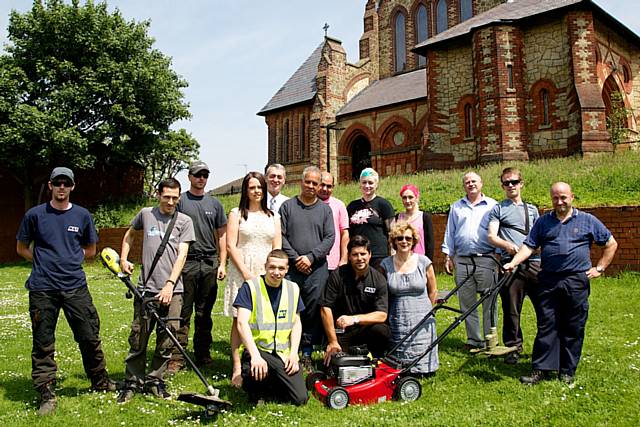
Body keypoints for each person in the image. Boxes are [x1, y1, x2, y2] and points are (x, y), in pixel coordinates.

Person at [16, 167, 116, 416]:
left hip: (75, 287)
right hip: (42, 289)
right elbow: (21, 248)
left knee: (89, 335)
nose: (62, 187)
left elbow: (91, 250)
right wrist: (42, 263)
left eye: (66, 183)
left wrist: (69, 261)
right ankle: (46, 391)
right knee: (43, 342)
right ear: (50, 186)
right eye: (57, 183)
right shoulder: (35, 215)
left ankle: (100, 381)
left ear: (72, 187)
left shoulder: (82, 215)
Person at [504, 182, 618, 385]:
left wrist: (600, 268)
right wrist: (513, 263)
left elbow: (610, 243)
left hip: (576, 280)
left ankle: (567, 370)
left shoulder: (587, 220)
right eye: (556, 198)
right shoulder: (543, 222)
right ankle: (541, 368)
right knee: (547, 324)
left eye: (563, 197)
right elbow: (529, 246)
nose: (560, 201)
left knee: (573, 325)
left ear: (572, 197)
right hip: (548, 279)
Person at [117, 178, 195, 403]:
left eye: (175, 197)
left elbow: (182, 255)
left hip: (173, 290)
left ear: (179, 197)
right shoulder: (145, 214)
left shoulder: (184, 221)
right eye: (167, 196)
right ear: (158, 195)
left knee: (167, 339)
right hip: (145, 289)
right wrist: (124, 258)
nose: (171, 201)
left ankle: (155, 380)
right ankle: (132, 381)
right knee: (139, 337)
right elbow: (130, 234)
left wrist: (169, 285)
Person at [169, 161, 227, 373]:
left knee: (205, 313)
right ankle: (177, 356)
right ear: (189, 177)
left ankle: (202, 353)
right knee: (182, 312)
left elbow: (222, 235)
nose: (201, 178)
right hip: (187, 263)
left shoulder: (215, 204)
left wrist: (222, 262)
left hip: (209, 263)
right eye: (197, 175)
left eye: (204, 175)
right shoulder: (181, 201)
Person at [226, 171, 281, 388]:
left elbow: (277, 246)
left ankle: (260, 360)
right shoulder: (236, 213)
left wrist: (272, 271)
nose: (256, 191)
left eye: (259, 187)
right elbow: (231, 245)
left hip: (266, 272)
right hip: (242, 271)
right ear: (245, 190)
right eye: (252, 187)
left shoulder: (273, 216)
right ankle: (237, 367)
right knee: (239, 319)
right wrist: (247, 274)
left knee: (262, 318)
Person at [234, 249, 307, 405]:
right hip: (257, 350)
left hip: (282, 354)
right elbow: (241, 323)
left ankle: (271, 385)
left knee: (300, 399)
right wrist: (255, 355)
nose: (276, 272)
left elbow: (296, 323)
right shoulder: (250, 287)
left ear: (287, 269)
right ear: (265, 266)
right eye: (272, 267)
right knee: (258, 368)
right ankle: (255, 388)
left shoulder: (293, 288)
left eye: (281, 268)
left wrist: (294, 354)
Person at [280, 166, 335, 369]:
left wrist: (311, 258)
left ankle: (307, 351)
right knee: (290, 309)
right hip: (292, 269)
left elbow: (330, 237)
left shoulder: (324, 209)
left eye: (315, 183)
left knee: (312, 309)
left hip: (317, 269)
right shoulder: (287, 207)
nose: (311, 186)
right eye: (308, 182)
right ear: (301, 182)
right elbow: (281, 236)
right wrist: (296, 259)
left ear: (320, 185)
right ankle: (287, 350)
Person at [487, 167, 540, 365]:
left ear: (521, 183)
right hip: (510, 265)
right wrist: (506, 245)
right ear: (502, 186)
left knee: (543, 307)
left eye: (514, 182)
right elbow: (492, 235)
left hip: (534, 264)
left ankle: (543, 347)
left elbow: (540, 234)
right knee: (511, 309)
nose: (511, 185)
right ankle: (513, 347)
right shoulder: (498, 209)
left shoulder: (532, 209)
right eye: (506, 183)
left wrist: (533, 249)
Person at [442, 172, 498, 350]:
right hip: (463, 261)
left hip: (486, 259)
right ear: (464, 185)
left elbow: (498, 231)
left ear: (481, 183)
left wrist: (497, 255)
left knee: (489, 301)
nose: (471, 184)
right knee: (467, 302)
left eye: (474, 181)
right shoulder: (456, 207)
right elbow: (450, 232)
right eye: (467, 182)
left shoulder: (493, 205)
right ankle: (474, 339)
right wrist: (447, 255)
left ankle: (491, 339)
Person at [321, 235, 390, 365]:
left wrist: (353, 319)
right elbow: (325, 308)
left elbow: (382, 315)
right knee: (335, 363)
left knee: (381, 330)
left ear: (370, 254)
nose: (359, 258)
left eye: (363, 254)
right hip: (342, 332)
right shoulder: (337, 275)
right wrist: (332, 341)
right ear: (349, 256)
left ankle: (377, 358)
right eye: (355, 254)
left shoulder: (379, 279)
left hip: (365, 329)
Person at [380, 222, 438, 376]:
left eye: (408, 238)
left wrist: (428, 311)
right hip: (398, 315)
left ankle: (424, 369)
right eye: (400, 238)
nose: (404, 241)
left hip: (422, 314)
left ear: (413, 241)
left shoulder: (424, 262)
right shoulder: (385, 264)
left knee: (421, 346)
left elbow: (433, 290)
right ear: (394, 241)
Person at [347, 168, 395, 268]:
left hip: (378, 256)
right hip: (358, 256)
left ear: (376, 185)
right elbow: (347, 233)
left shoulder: (384, 205)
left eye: (370, 183)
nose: (367, 186)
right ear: (360, 184)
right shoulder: (352, 206)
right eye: (364, 182)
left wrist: (393, 256)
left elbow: (392, 232)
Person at [317, 171, 349, 271]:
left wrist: (344, 258)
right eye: (322, 185)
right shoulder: (308, 204)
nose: (325, 189)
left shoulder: (339, 205)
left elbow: (344, 233)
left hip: (333, 263)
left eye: (329, 186)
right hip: (312, 262)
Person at [394, 184, 435, 261]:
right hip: (401, 260)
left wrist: (428, 263)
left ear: (416, 198)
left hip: (420, 260)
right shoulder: (397, 217)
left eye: (410, 197)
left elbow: (430, 243)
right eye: (404, 198)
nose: (407, 201)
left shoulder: (425, 217)